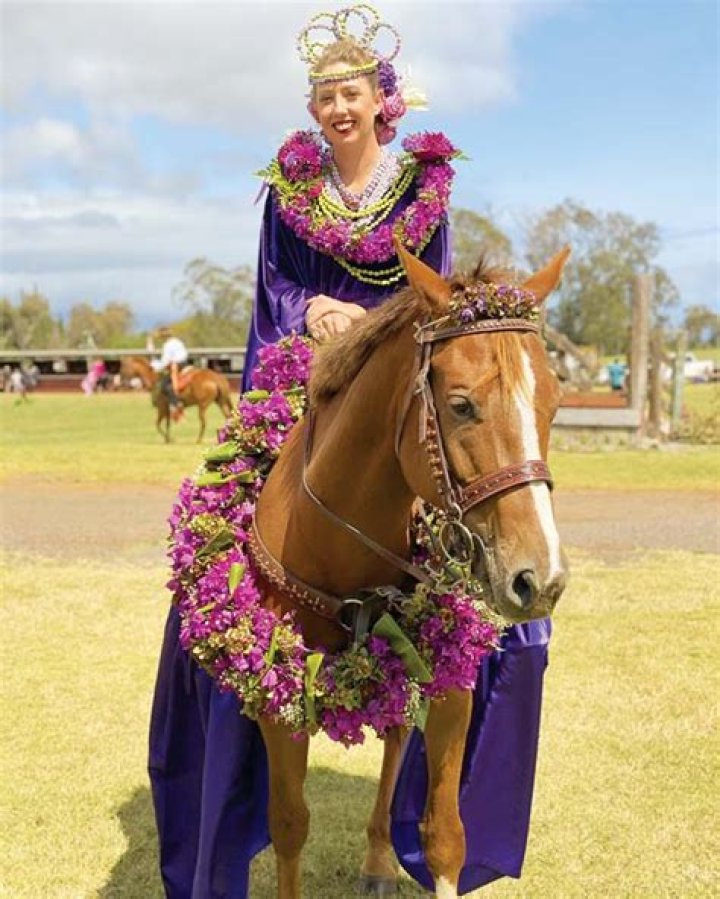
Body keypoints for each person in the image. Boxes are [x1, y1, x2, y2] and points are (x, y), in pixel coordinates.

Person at [149, 6, 550, 897]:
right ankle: (222, 733)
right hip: (302, 361)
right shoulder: (286, 193)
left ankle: (428, 799)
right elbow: (275, 284)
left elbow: (434, 294)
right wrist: (311, 317)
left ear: (382, 102)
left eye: (351, 92)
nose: (337, 106)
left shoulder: (424, 187)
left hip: (398, 360)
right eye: (324, 94)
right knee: (215, 558)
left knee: (467, 534)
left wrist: (375, 326)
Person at [151, 326, 188, 421]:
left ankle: (176, 404)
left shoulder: (167, 345)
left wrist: (155, 366)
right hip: (184, 363)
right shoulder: (178, 341)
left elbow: (165, 362)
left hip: (175, 365)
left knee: (164, 385)